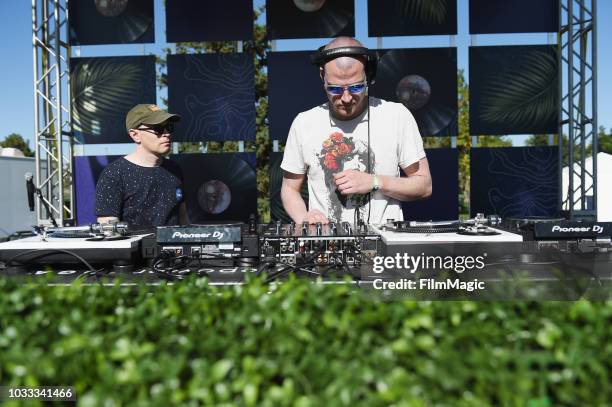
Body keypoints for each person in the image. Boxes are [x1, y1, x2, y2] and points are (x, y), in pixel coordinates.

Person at [280, 37, 432, 225]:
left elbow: (424, 186)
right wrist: (304, 218)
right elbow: (289, 189)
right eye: (335, 88)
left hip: (385, 249)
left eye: (356, 87)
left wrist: (375, 182)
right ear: (322, 76)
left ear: (369, 76)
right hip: (324, 249)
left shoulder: (397, 116)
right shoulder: (304, 123)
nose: (345, 97)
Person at [95, 104, 189, 229]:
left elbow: (183, 219)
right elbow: (109, 230)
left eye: (169, 127)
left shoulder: (175, 169)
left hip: (173, 248)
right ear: (135, 135)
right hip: (132, 248)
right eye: (158, 129)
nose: (166, 133)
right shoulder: (114, 173)